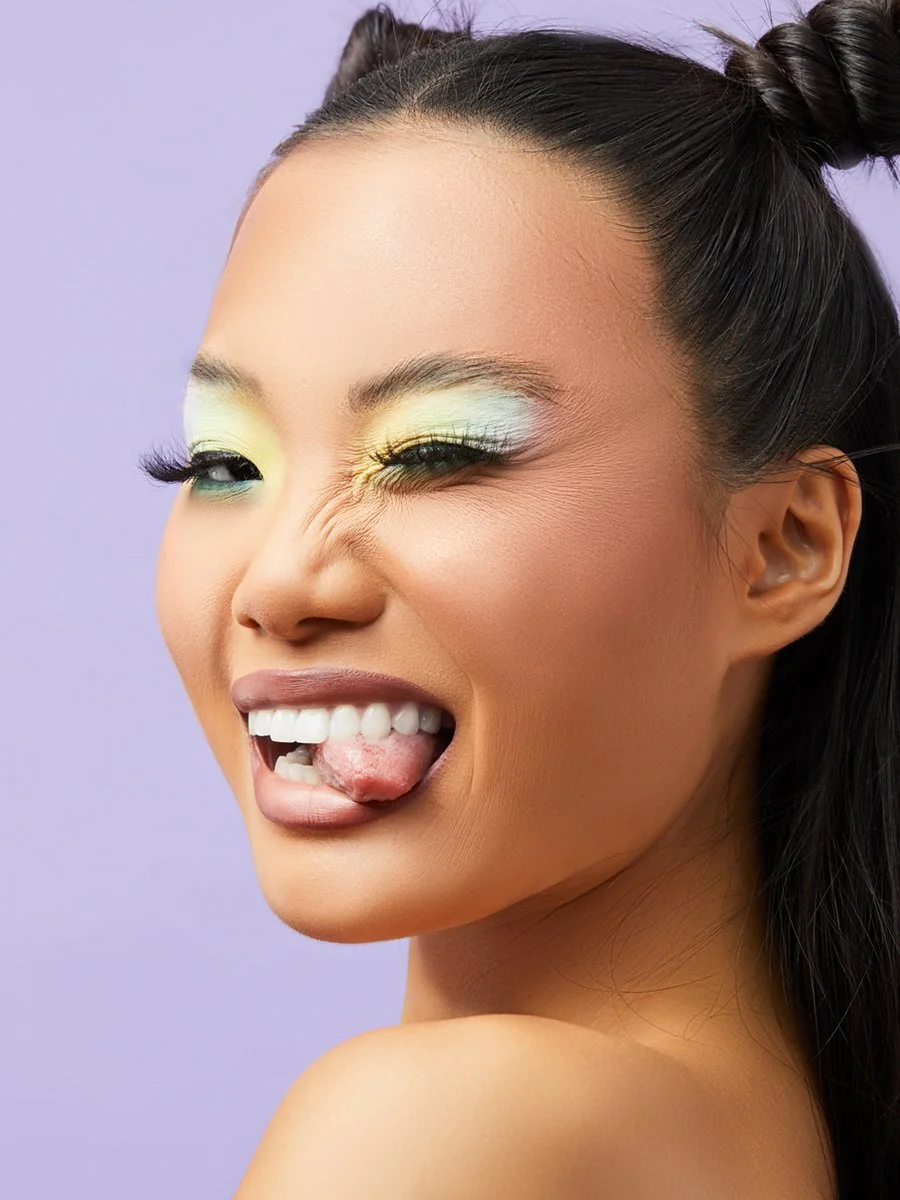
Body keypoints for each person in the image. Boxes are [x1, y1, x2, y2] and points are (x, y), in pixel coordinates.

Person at [139, 1, 900, 1195]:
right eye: (224, 465)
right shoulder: (764, 1127)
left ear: (785, 547)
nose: (280, 580)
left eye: (438, 451)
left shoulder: (442, 1132)